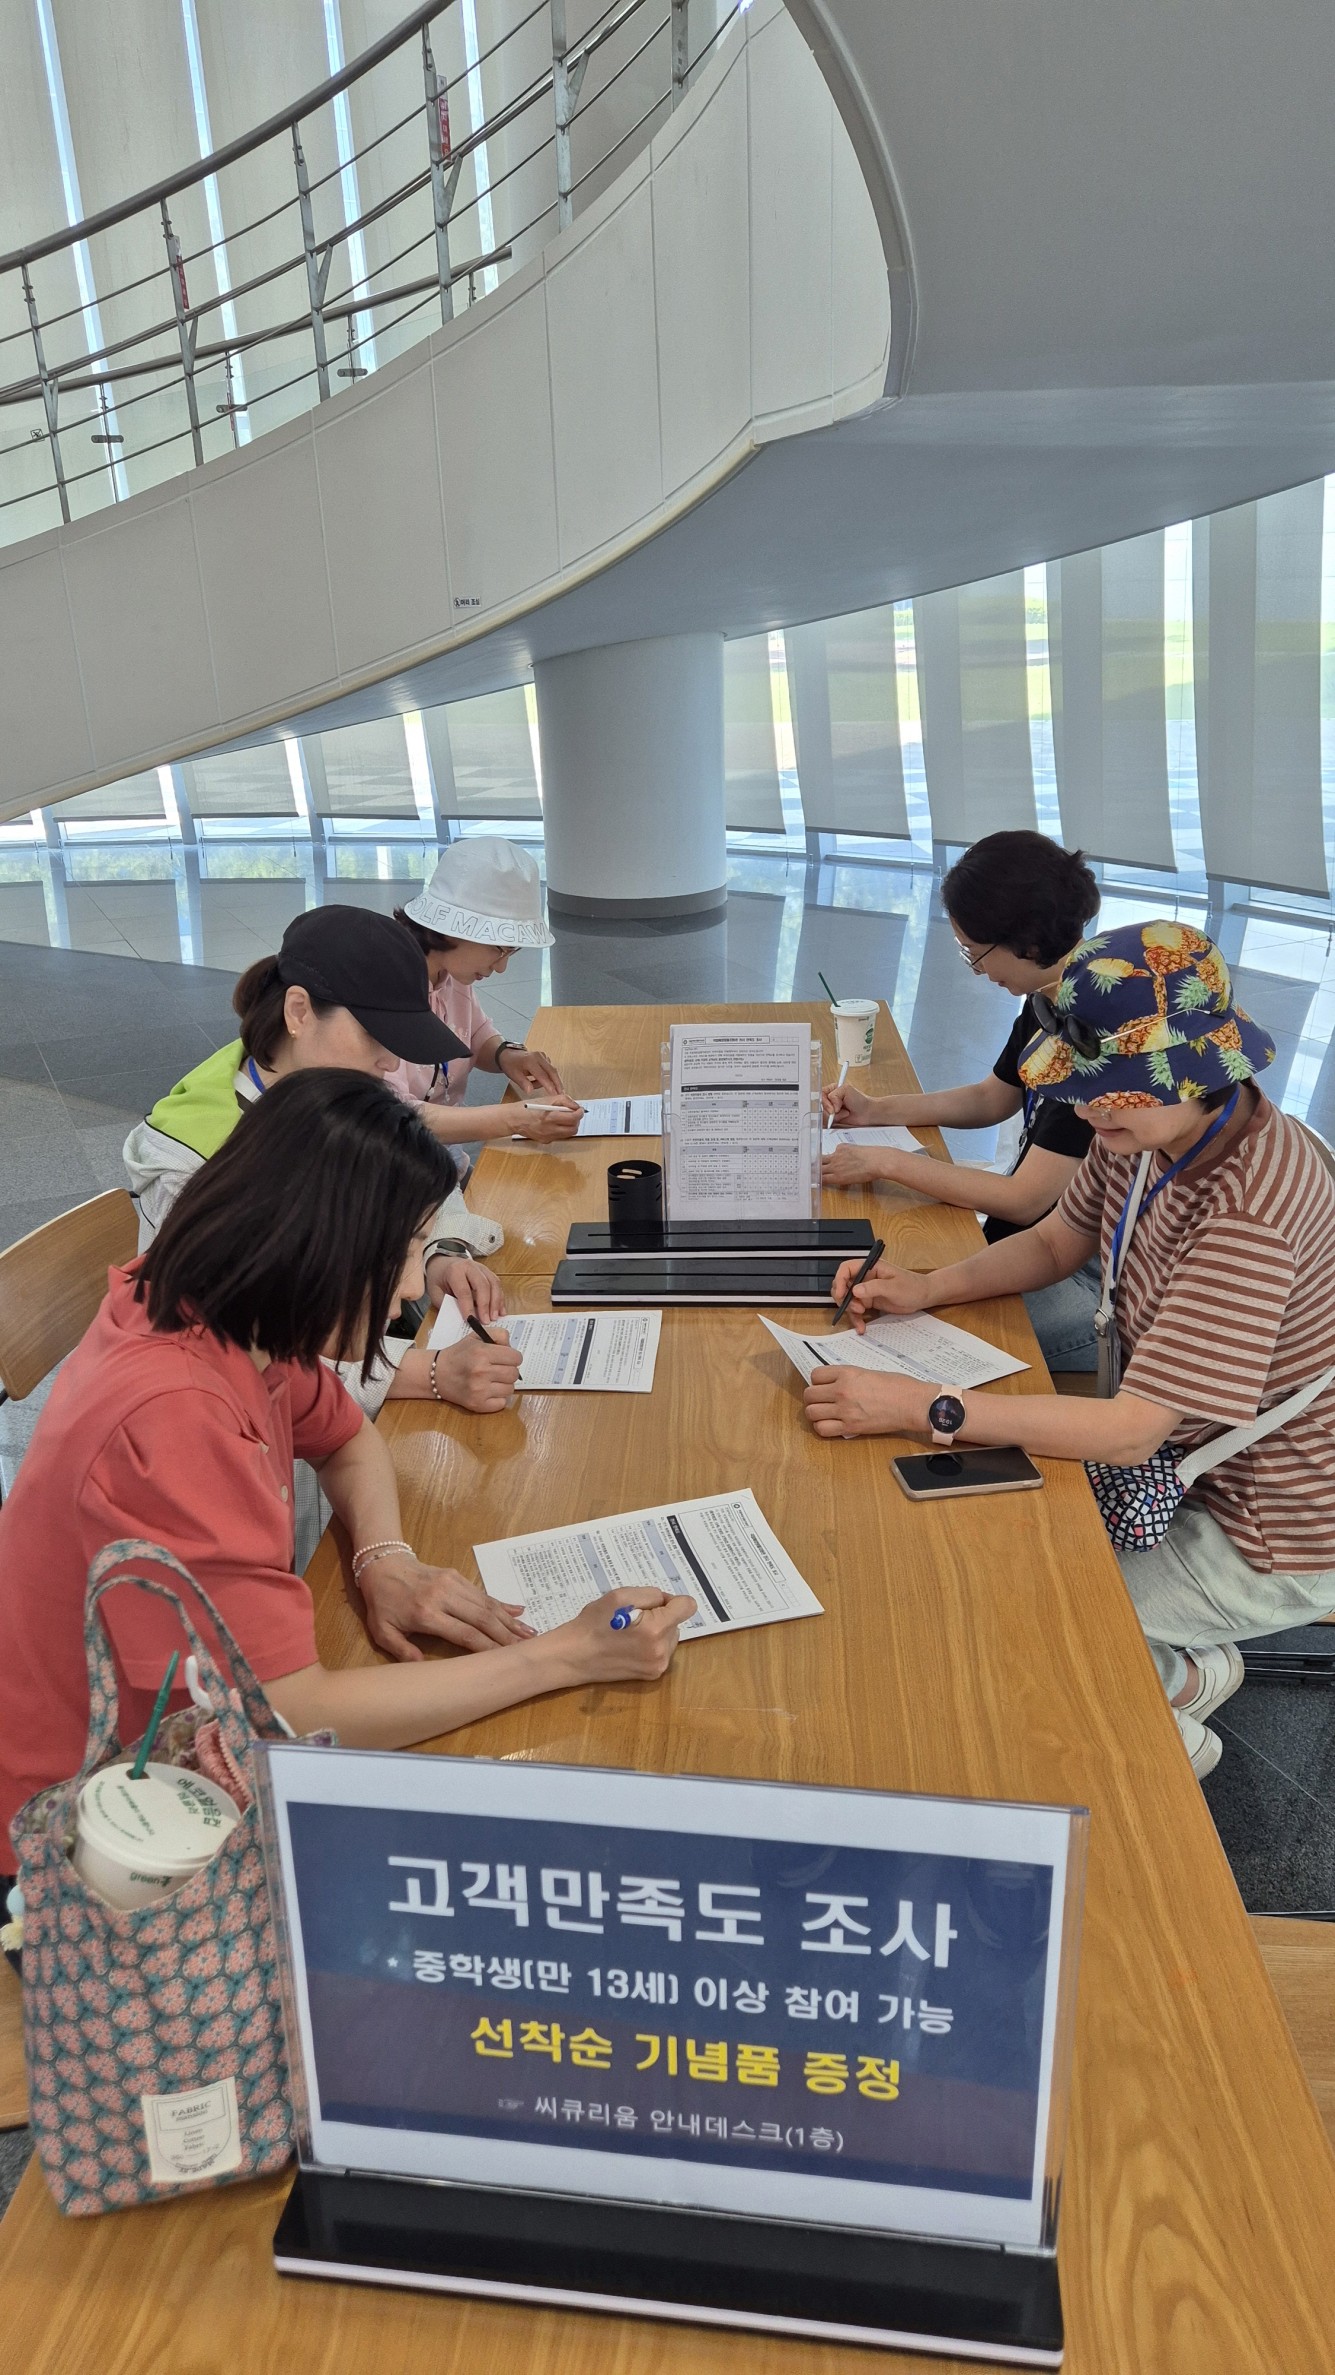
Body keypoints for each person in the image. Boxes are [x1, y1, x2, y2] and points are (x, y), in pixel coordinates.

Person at [0, 1072, 693, 1858]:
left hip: (173, 1743)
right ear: (317, 1242)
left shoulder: (226, 1304)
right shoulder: (173, 1419)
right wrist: (567, 1653)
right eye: (403, 1252)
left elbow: (344, 1435)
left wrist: (381, 1557)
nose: (411, 1288)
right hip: (84, 1823)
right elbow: (290, 1716)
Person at [806, 920, 1335, 1779]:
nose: (1088, 1107)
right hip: (1179, 1457)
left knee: (1040, 1619)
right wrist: (928, 1287)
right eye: (1081, 1086)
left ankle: (1170, 1724)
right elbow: (1057, 1241)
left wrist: (923, 1406)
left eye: (1110, 1089)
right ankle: (1184, 1665)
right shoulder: (1148, 1131)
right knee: (998, 1549)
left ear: (1197, 1073)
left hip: (1267, 1524)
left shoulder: (1248, 1213)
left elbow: (1128, 1431)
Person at [123, 906, 522, 1418]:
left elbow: (413, 1175)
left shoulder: (328, 1080)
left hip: (365, 1351)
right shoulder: (193, 1169)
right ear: (299, 1012)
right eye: (375, 1036)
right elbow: (242, 1357)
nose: (391, 1063)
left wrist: (436, 1251)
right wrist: (430, 1371)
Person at [822, 832, 1101, 1372]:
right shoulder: (1048, 999)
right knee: (894, 1292)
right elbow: (991, 1097)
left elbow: (1024, 1200)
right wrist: (876, 1110)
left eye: (976, 954)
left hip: (1087, 1283)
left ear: (1027, 942)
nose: (978, 970)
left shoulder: (1096, 1042)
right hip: (1035, 1247)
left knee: (900, 1332)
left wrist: (888, 1162)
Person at [389, 837, 584, 1151]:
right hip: (393, 1170)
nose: (502, 967)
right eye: (499, 949)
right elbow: (394, 1116)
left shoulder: (451, 972)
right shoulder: (383, 989)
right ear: (453, 930)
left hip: (441, 1160)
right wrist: (516, 1119)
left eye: (511, 952)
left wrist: (506, 1055)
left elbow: (474, 1033)